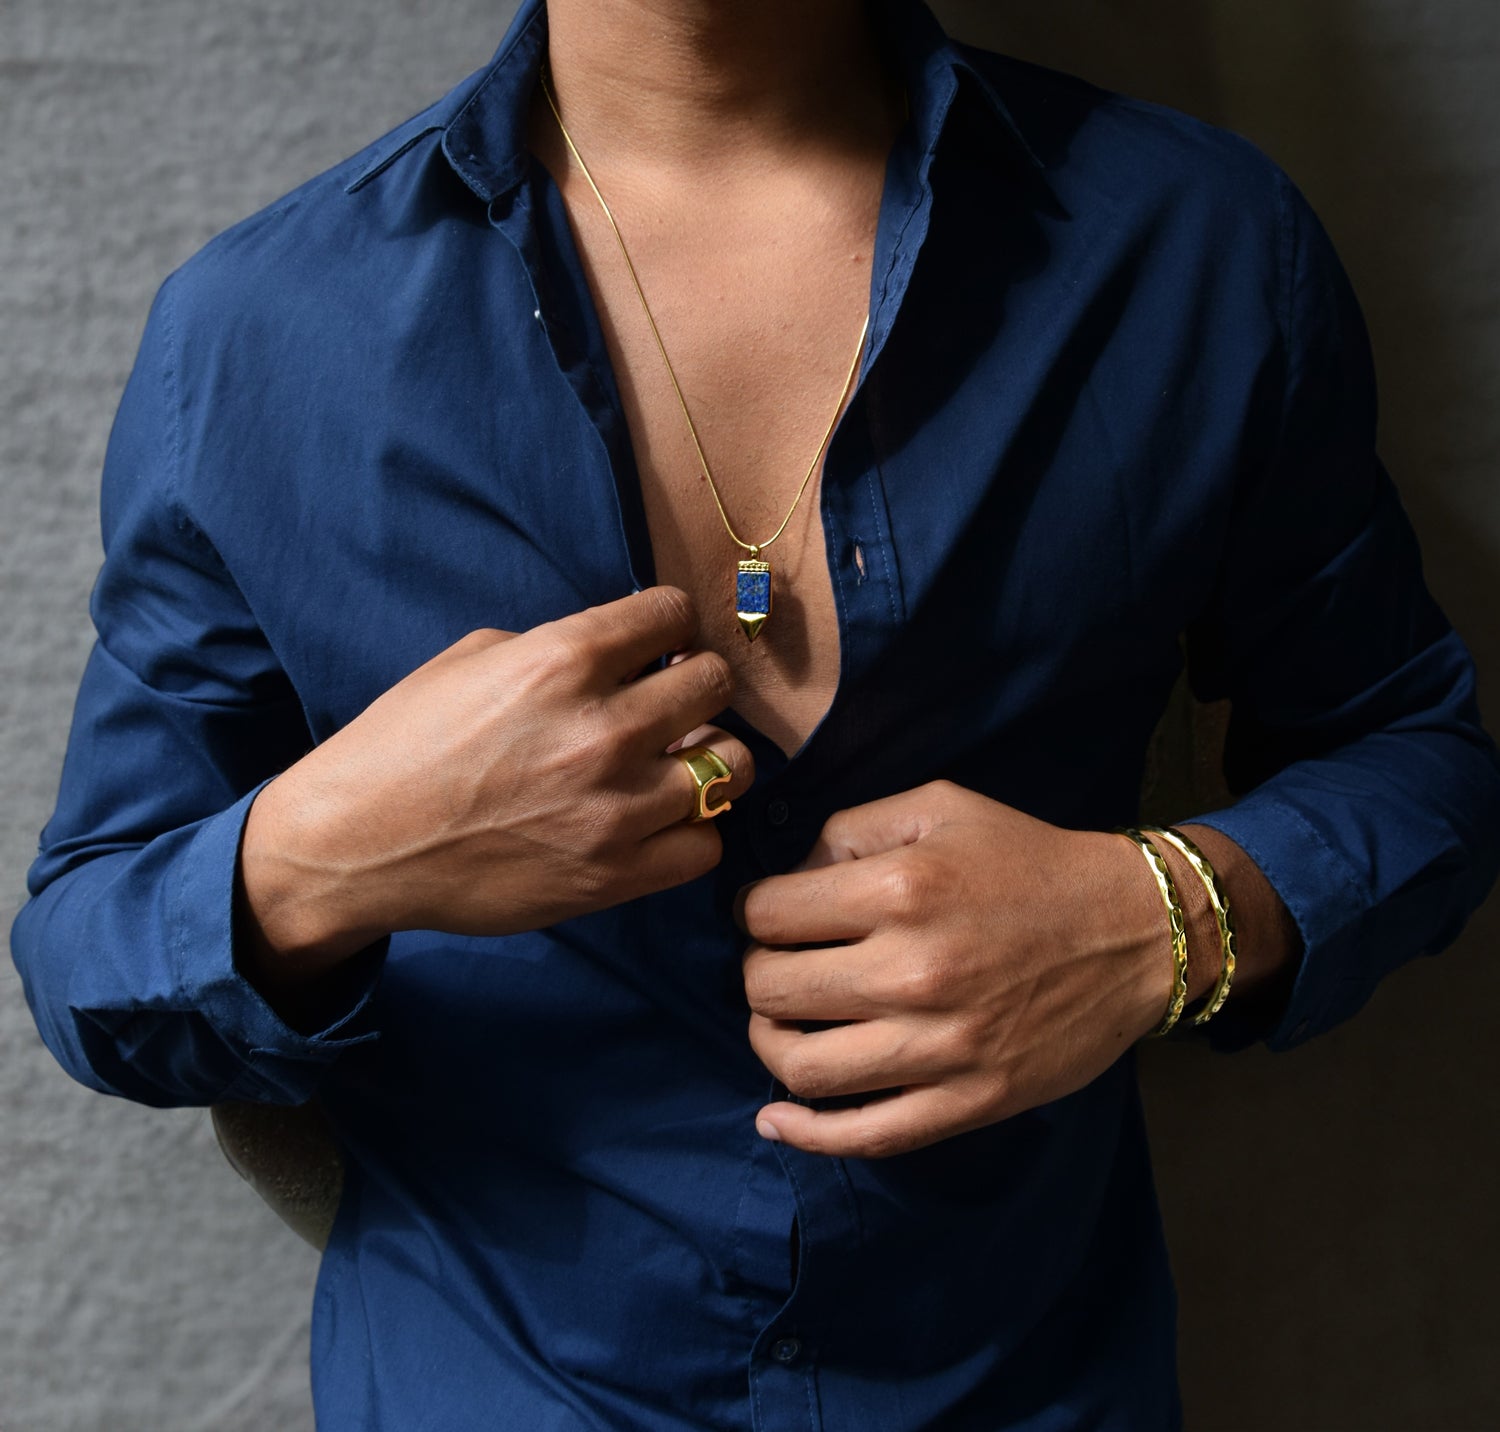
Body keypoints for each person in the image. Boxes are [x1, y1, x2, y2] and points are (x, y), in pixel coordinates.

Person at [12, 0, 1500, 1426]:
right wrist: (342, 852)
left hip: (1029, 1382)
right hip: (497, 1386)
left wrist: (1163, 916)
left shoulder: (1196, 246)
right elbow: (88, 952)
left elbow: (1415, 752)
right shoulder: (255, 335)